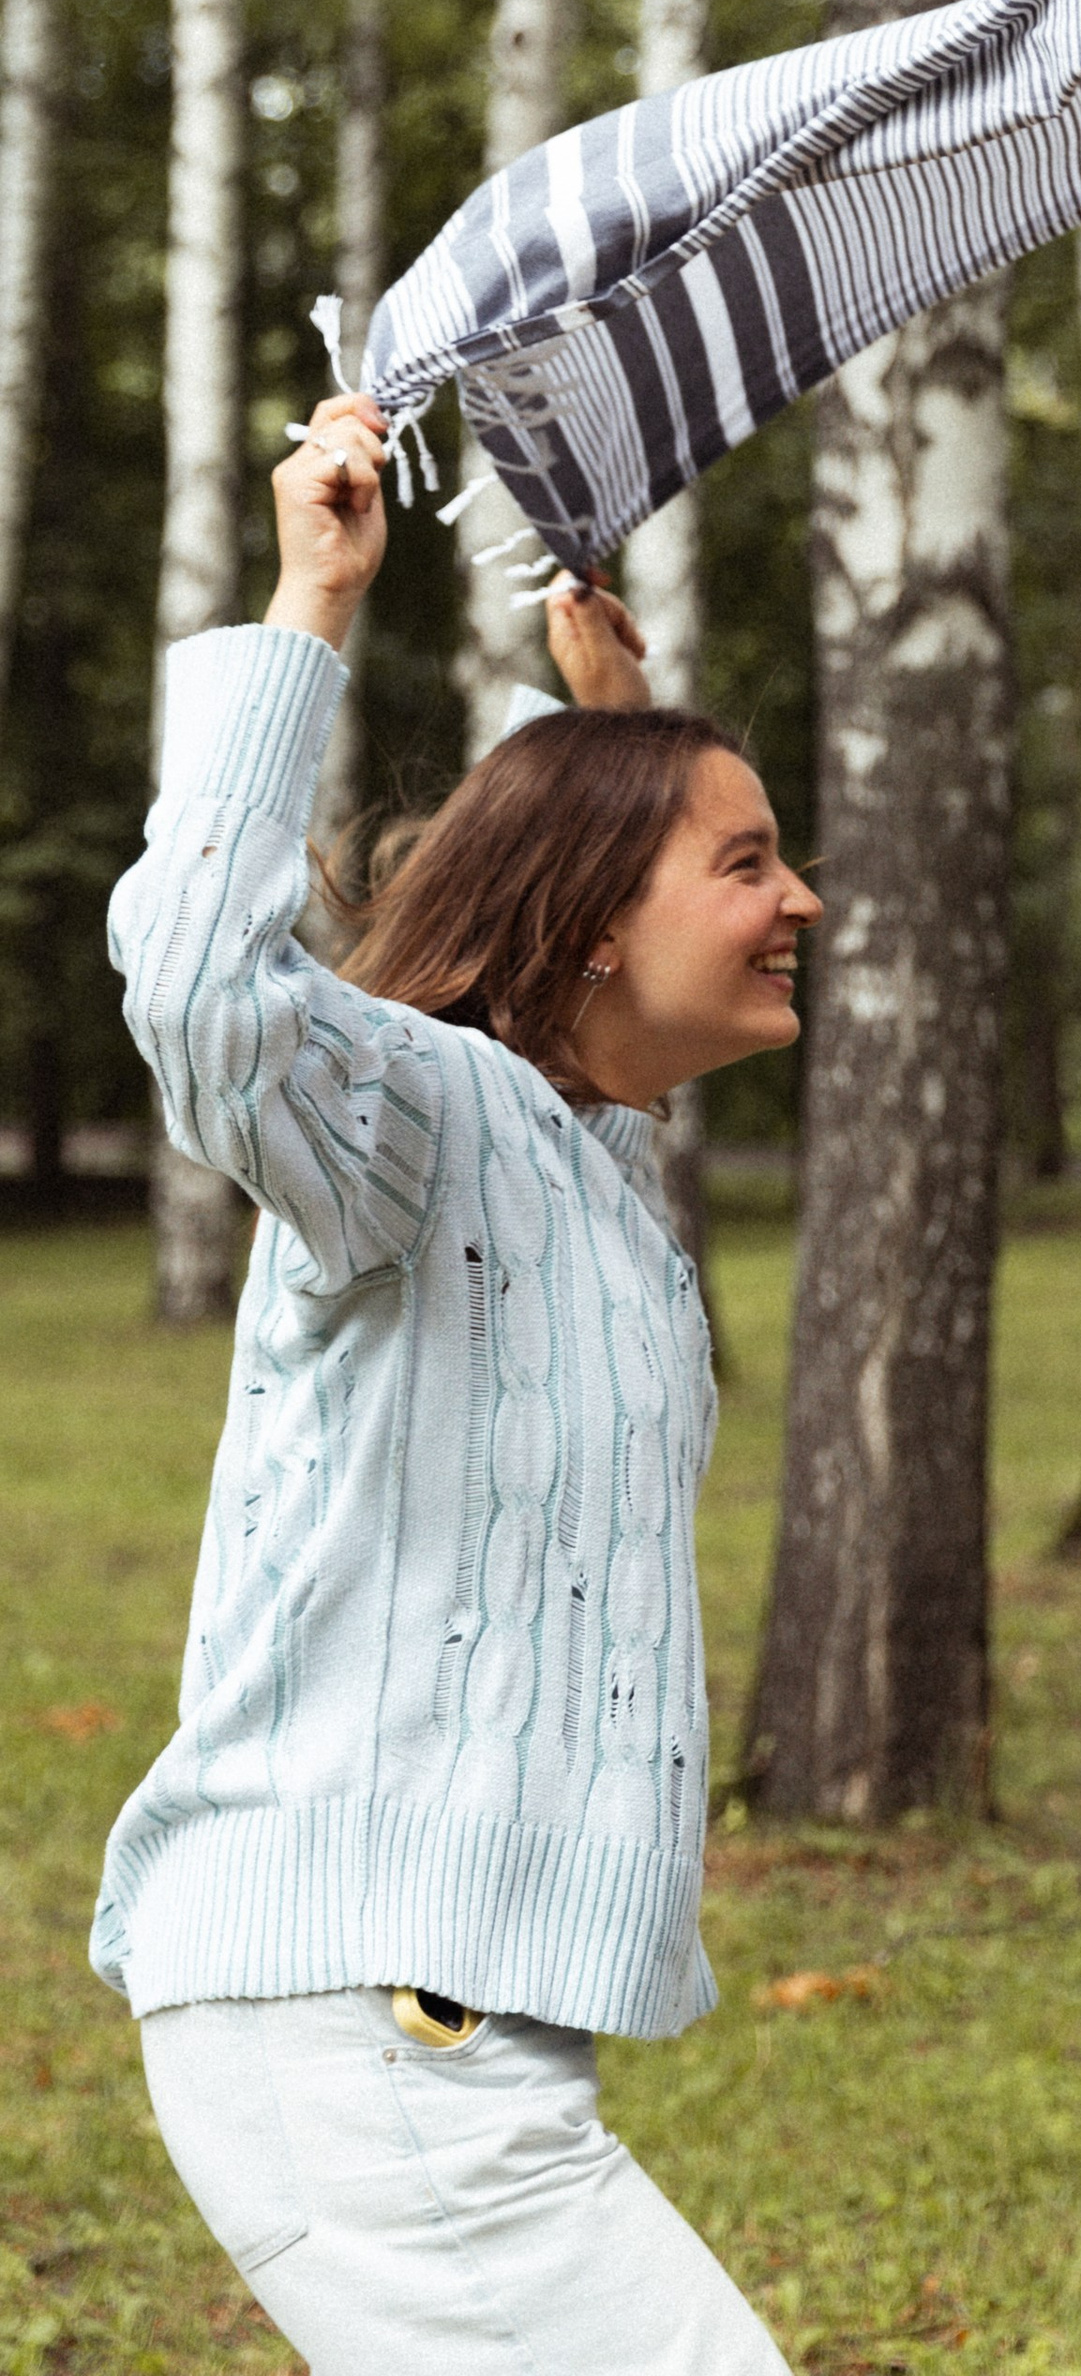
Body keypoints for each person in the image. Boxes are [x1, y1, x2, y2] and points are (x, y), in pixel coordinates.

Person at [100, 386, 820, 2373]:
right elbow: (200, 998)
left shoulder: (571, 1156)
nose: (801, 904)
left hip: (431, 2035)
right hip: (363, 2036)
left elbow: (547, 1029)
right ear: (594, 926)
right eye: (748, 863)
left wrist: (581, 716)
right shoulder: (419, 1125)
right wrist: (309, 604)